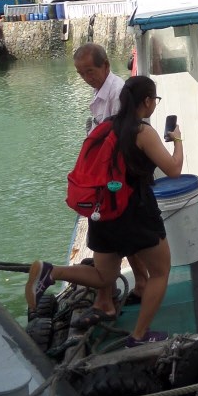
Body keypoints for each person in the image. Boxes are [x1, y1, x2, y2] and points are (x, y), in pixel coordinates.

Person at [26, 76, 182, 346]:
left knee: (104, 276)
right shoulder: (142, 132)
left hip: (102, 212)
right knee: (160, 272)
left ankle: (52, 272)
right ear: (146, 101)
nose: (154, 105)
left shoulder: (106, 126)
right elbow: (174, 169)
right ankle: (139, 335)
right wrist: (177, 141)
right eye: (154, 100)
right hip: (136, 214)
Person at [73, 41, 148, 309]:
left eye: (90, 72)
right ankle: (140, 281)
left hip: (116, 179)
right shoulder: (102, 92)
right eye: (81, 74)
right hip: (108, 177)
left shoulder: (117, 94)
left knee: (111, 236)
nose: (86, 78)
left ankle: (108, 297)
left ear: (105, 66)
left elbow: (119, 140)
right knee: (123, 235)